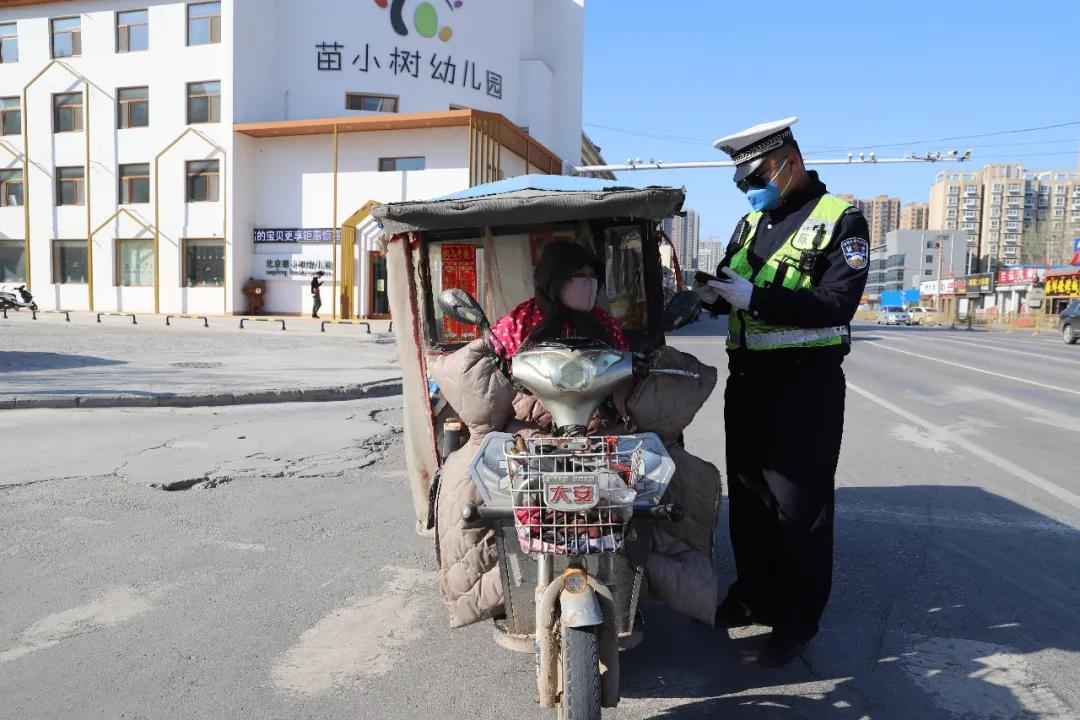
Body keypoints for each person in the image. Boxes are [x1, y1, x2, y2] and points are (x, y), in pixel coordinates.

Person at [697, 117, 869, 667]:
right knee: (750, 503)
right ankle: (753, 597)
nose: (750, 189)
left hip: (805, 387)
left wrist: (757, 299)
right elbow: (733, 284)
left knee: (800, 510)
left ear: (788, 162)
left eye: (756, 176)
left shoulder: (840, 220)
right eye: (742, 182)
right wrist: (711, 295)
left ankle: (796, 621)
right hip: (748, 381)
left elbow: (836, 303)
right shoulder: (752, 224)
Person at [489, 239, 629, 358]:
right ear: (553, 278)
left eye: (592, 276)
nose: (588, 283)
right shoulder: (517, 324)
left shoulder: (605, 323)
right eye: (579, 275)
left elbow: (624, 368)